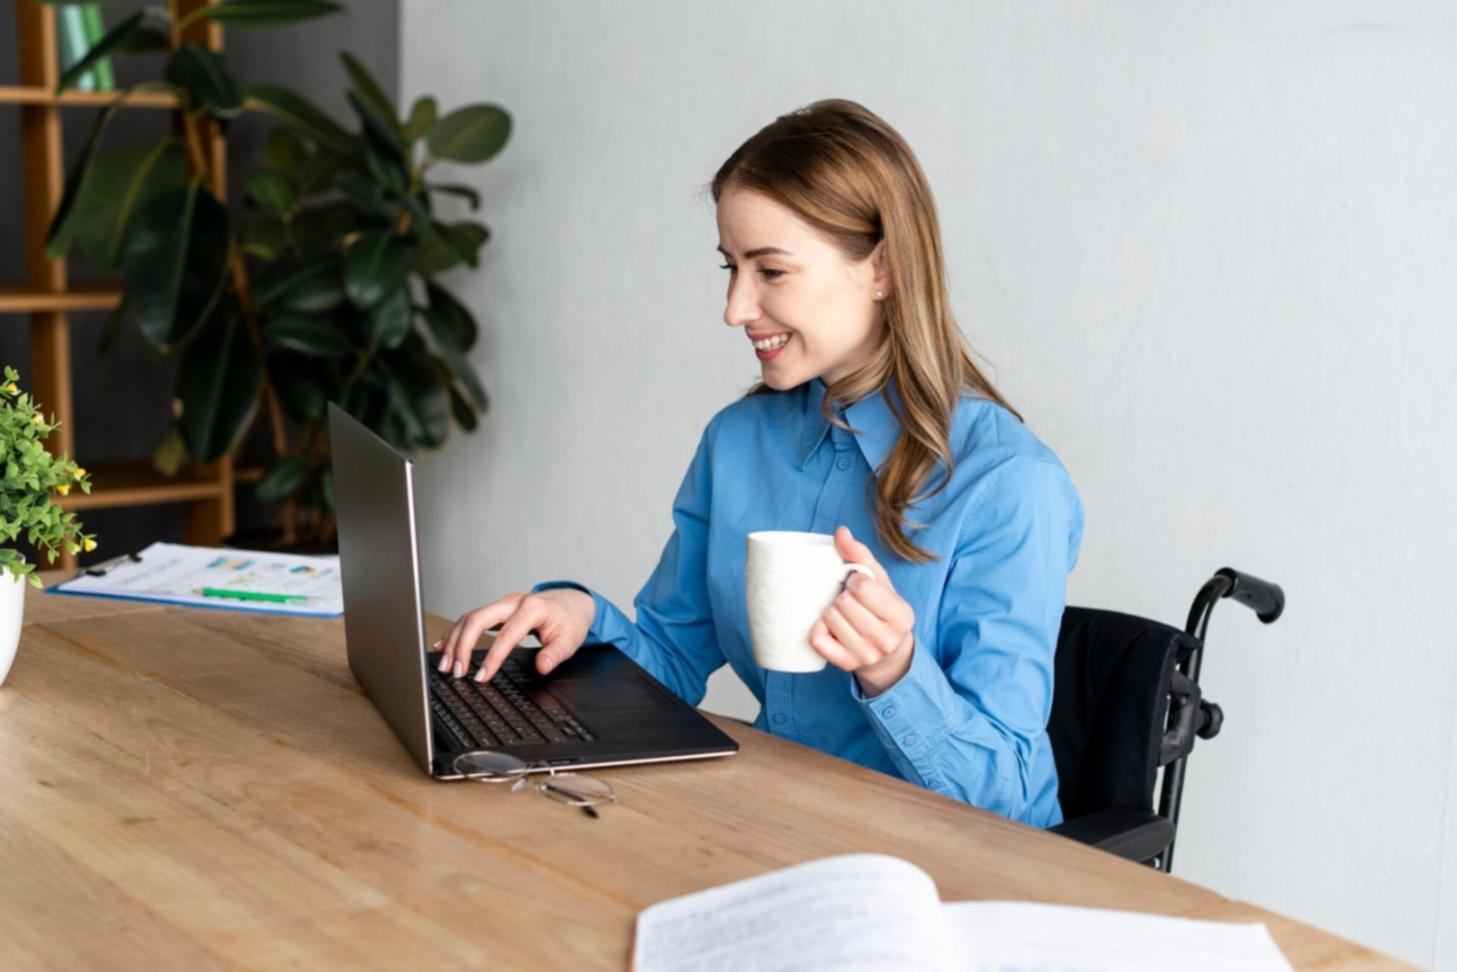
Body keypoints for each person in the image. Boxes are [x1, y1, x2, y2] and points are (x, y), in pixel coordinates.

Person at [436, 98, 1083, 828]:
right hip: (780, 823)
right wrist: (578, 614)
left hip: (956, 865)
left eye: (770, 271)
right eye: (730, 267)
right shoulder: (738, 442)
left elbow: (1006, 796)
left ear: (883, 269)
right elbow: (671, 658)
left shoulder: (1008, 485)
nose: (735, 307)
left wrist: (893, 670)